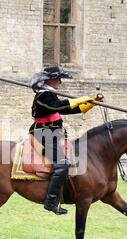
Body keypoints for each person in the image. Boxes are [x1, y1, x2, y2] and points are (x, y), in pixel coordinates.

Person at [28, 66, 103, 215]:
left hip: (53, 134)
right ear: (50, 79)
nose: (60, 82)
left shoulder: (51, 95)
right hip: (43, 134)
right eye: (58, 79)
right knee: (62, 165)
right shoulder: (43, 96)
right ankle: (51, 202)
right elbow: (58, 105)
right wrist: (80, 99)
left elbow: (68, 109)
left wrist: (91, 102)